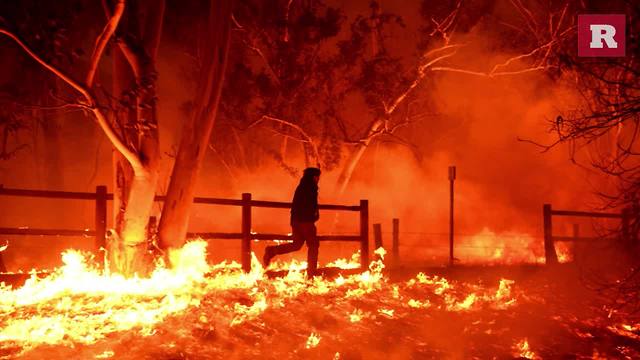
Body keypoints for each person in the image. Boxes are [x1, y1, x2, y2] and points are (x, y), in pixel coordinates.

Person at [263, 167, 321, 276]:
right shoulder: (311, 188)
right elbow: (310, 206)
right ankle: (312, 272)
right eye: (318, 177)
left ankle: (272, 251)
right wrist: (313, 216)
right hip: (306, 221)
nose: (318, 179)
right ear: (314, 177)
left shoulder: (302, 186)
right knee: (313, 245)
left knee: (296, 245)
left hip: (296, 220)